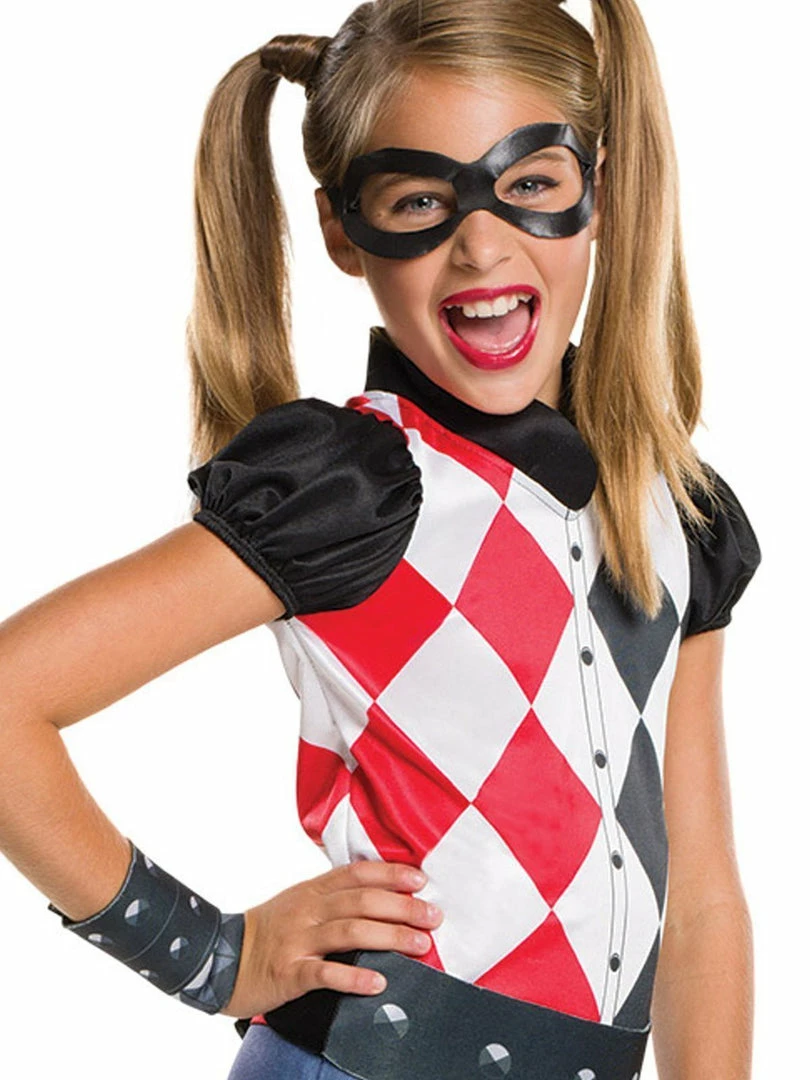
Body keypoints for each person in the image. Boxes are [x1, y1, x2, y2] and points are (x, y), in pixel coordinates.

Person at [0, 1, 763, 1078]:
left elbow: (703, 897)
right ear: (342, 230)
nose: (481, 244)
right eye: (420, 201)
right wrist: (210, 955)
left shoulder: (678, 513)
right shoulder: (351, 488)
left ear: (602, 187)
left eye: (530, 183)